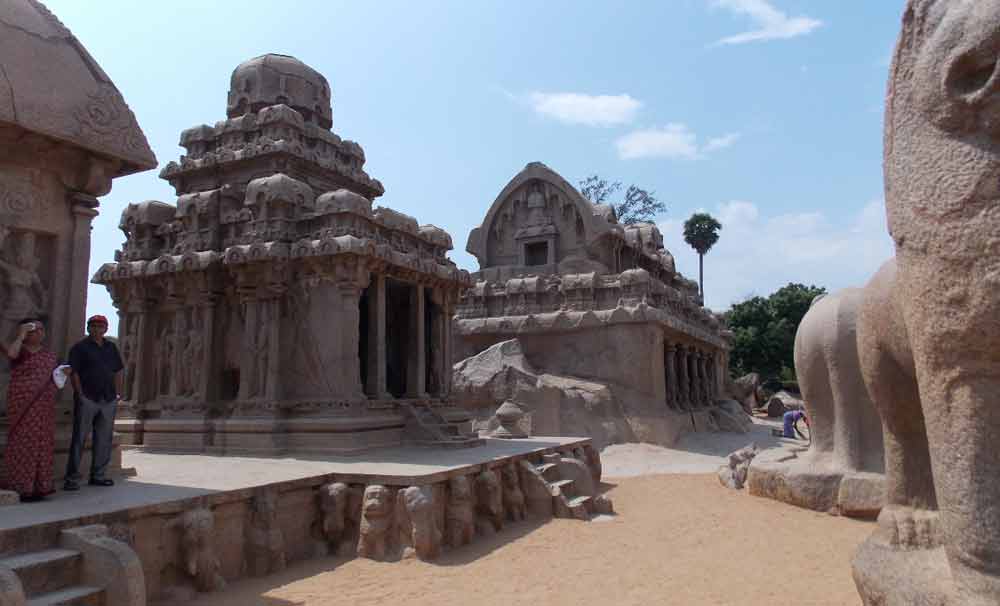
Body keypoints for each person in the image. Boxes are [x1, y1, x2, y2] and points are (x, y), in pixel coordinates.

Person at [3, 318, 61, 501]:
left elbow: (56, 379)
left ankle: (40, 486)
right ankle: (21, 485)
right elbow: (11, 355)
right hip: (22, 404)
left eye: (42, 329)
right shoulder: (20, 350)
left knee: (42, 444)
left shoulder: (49, 356)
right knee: (23, 443)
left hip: (43, 406)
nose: (39, 333)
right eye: (34, 329)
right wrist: (20, 335)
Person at [64, 315, 123, 490]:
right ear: (89, 328)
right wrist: (80, 394)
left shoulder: (111, 347)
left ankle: (98, 475)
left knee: (104, 439)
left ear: (106, 328)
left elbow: (118, 370)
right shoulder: (80, 348)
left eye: (101, 326)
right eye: (94, 326)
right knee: (79, 438)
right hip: (88, 397)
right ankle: (72, 478)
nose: (97, 329)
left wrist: (118, 393)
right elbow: (74, 372)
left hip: (108, 398)